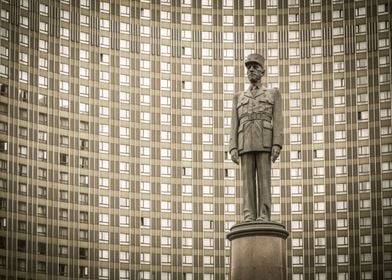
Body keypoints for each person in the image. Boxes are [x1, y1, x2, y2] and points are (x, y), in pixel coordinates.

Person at [229, 53, 283, 222]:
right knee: (247, 183)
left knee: (264, 182)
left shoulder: (273, 93)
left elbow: (278, 120)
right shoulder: (239, 97)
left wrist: (277, 144)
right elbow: (234, 124)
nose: (251, 70)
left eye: (255, 67)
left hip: (265, 141)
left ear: (263, 72)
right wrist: (233, 147)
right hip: (244, 141)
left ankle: (264, 215)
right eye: (248, 68)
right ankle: (249, 215)